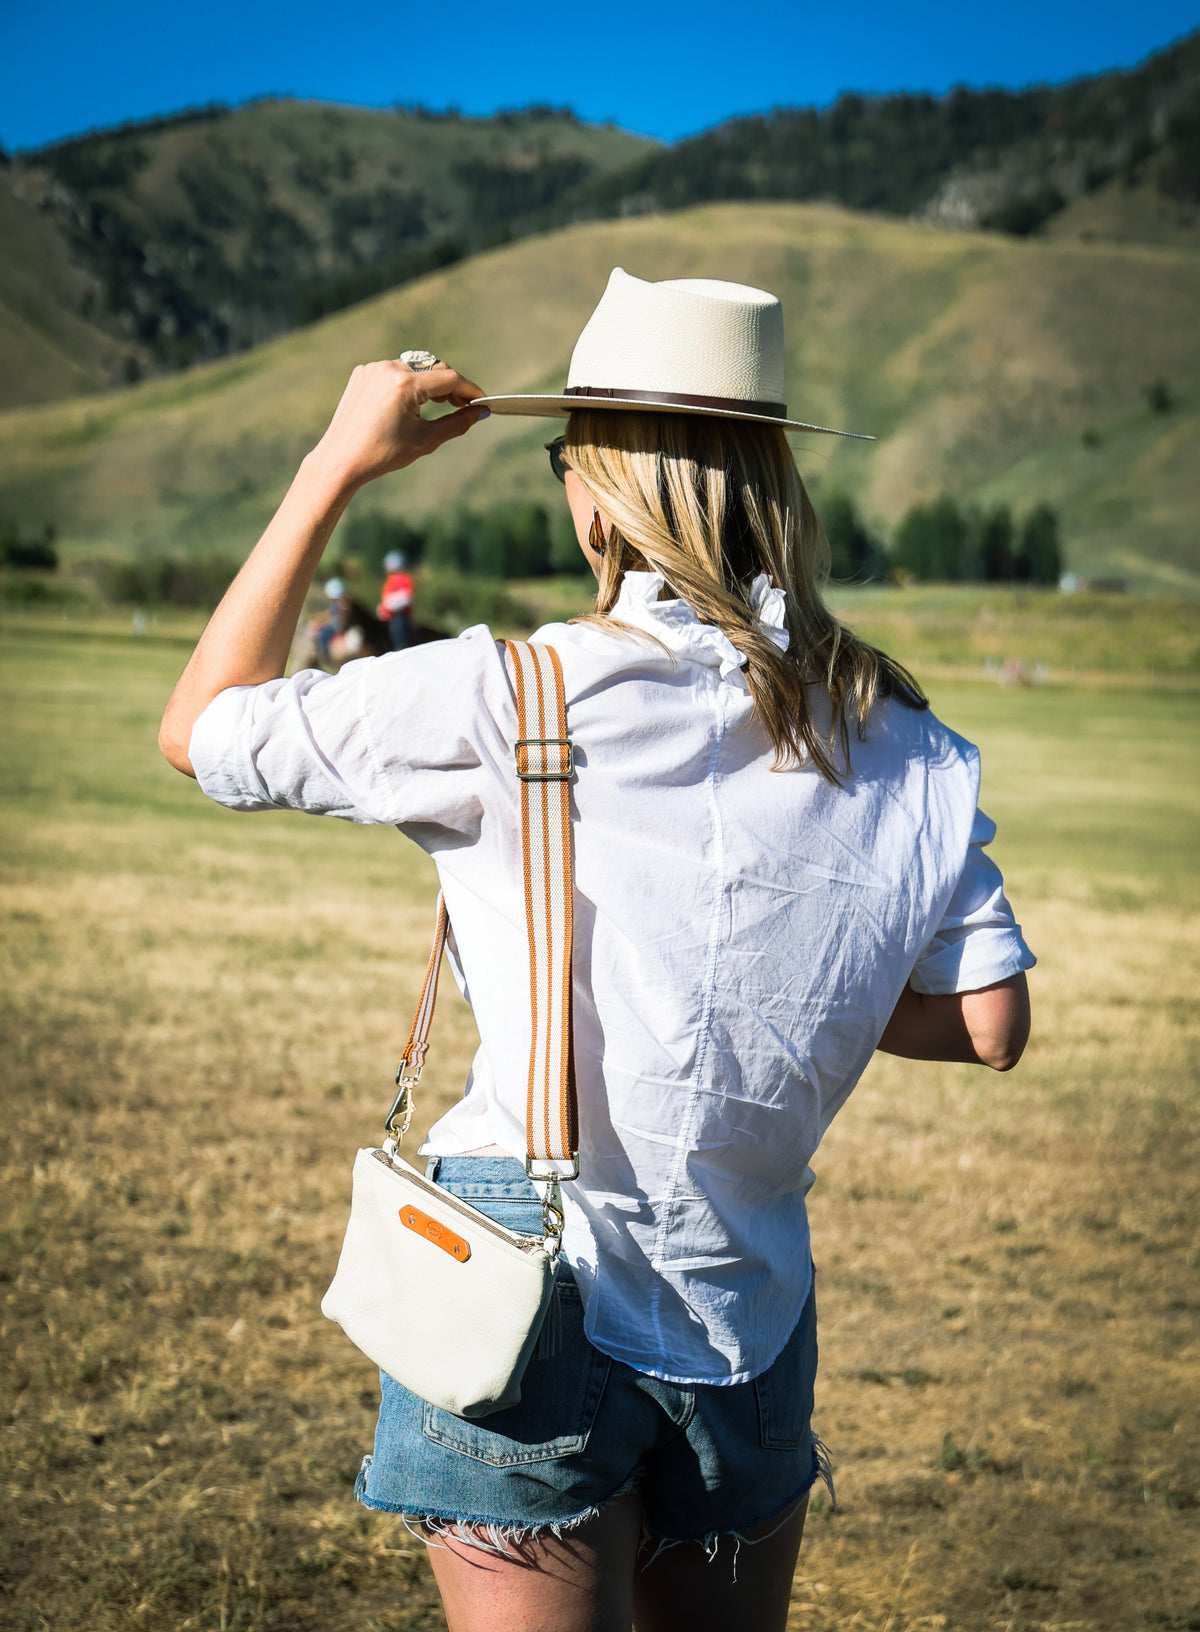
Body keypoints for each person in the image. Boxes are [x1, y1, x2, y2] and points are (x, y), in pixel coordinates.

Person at [158, 272, 1034, 1632]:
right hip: (750, 1301)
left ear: (597, 492)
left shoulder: (503, 694)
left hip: (516, 1290)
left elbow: (203, 727)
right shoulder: (909, 740)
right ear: (776, 484)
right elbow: (990, 1020)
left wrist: (336, 461)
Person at [377, 549, 416, 650]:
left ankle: (400, 649)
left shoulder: (403, 578)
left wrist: (388, 605)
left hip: (399, 617)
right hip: (389, 617)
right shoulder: (392, 580)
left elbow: (406, 598)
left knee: (399, 639)